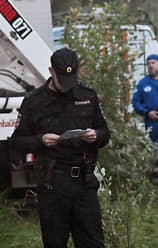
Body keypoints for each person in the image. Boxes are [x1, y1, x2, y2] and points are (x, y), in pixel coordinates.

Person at [10, 48, 110, 247]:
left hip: (85, 183)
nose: (67, 86)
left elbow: (105, 134)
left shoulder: (88, 96)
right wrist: (40, 140)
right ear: (51, 71)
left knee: (93, 242)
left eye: (71, 79)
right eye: (62, 80)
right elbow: (16, 143)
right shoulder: (34, 102)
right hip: (53, 184)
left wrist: (95, 135)